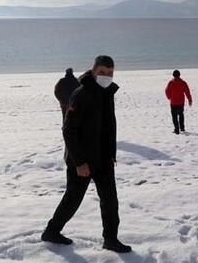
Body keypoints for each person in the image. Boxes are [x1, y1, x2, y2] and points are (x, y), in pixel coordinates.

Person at [42, 55, 132, 253]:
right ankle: (51, 231)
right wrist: (80, 161)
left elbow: (107, 127)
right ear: (93, 71)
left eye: (110, 73)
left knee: (110, 199)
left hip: (103, 157)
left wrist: (111, 153)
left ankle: (110, 239)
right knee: (73, 198)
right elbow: (68, 130)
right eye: (102, 72)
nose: (106, 76)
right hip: (81, 159)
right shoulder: (81, 94)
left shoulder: (107, 92)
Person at [165, 70, 193, 134]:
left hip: (173, 102)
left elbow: (166, 91)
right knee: (181, 115)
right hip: (181, 102)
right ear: (179, 75)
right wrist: (190, 100)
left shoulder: (171, 82)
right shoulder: (183, 82)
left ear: (173, 75)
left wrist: (169, 97)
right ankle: (182, 128)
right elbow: (187, 92)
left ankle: (177, 130)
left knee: (174, 116)